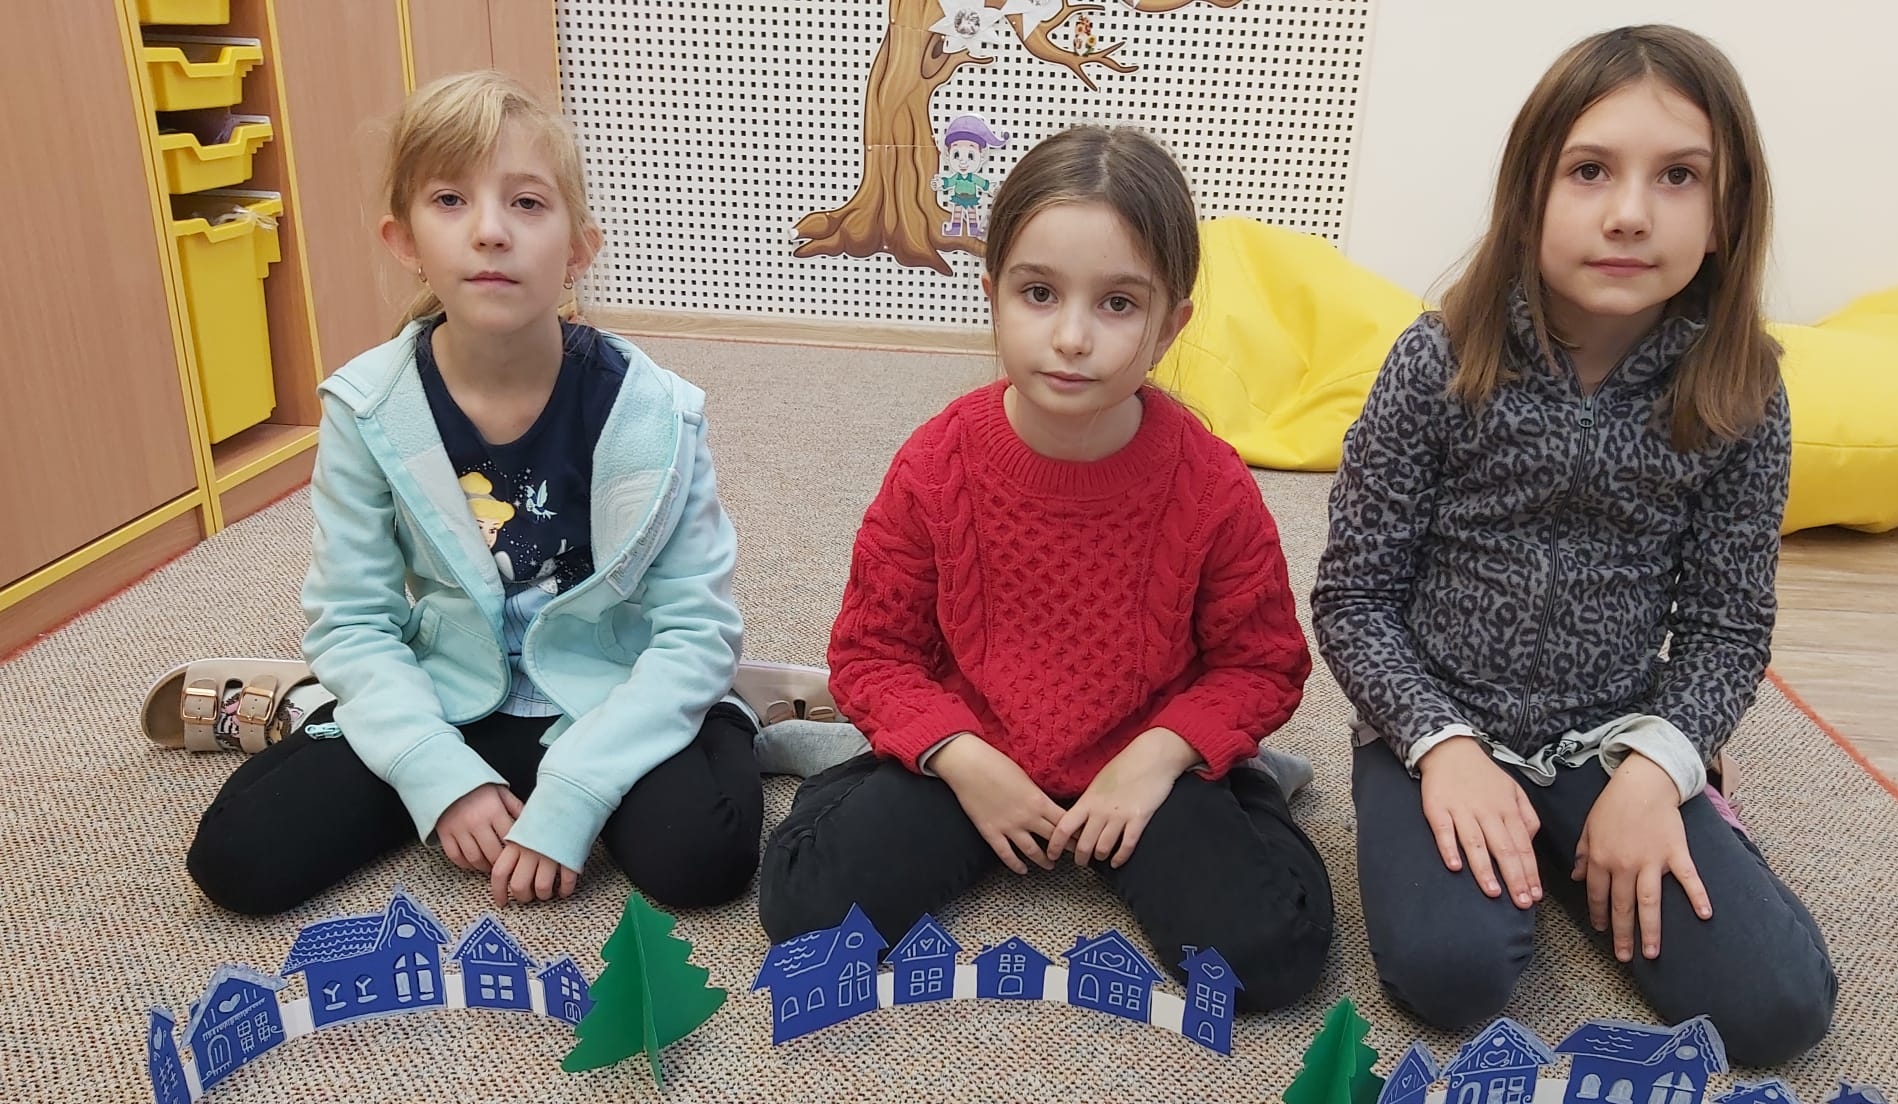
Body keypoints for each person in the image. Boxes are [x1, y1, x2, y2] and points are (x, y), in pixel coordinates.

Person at [1311, 25, 1835, 1065]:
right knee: (1451, 974)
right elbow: (1354, 600)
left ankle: (1645, 811)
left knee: (1776, 1009)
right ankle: (1502, 819)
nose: (1630, 213)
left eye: (1679, 176)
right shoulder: (1435, 363)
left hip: (1613, 736)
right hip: (1438, 727)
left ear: (1728, 213)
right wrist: (1439, 746)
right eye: (1590, 170)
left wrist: (1656, 772)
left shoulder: (1743, 395)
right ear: (1529, 195)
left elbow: (1728, 631)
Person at [759, 124, 1334, 1012]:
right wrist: (959, 757)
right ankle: (858, 767)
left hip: (1143, 761)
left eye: (1118, 304)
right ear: (991, 295)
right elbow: (872, 654)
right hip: (973, 752)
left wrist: (1164, 753)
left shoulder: (1212, 484)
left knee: (1270, 958)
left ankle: (1250, 783)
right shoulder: (936, 463)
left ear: (1170, 326)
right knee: (806, 914)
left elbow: (1262, 664)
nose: (1071, 336)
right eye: (1038, 293)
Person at [186, 71, 762, 916]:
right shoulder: (368, 408)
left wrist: (579, 790)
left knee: (703, 862)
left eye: (527, 203)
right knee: (238, 859)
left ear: (579, 249)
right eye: (450, 200)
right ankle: (322, 711)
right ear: (404, 240)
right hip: (450, 688)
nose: (490, 231)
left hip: (605, 688)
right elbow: (353, 619)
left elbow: (697, 629)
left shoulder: (656, 414)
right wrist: (436, 772)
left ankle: (730, 721)